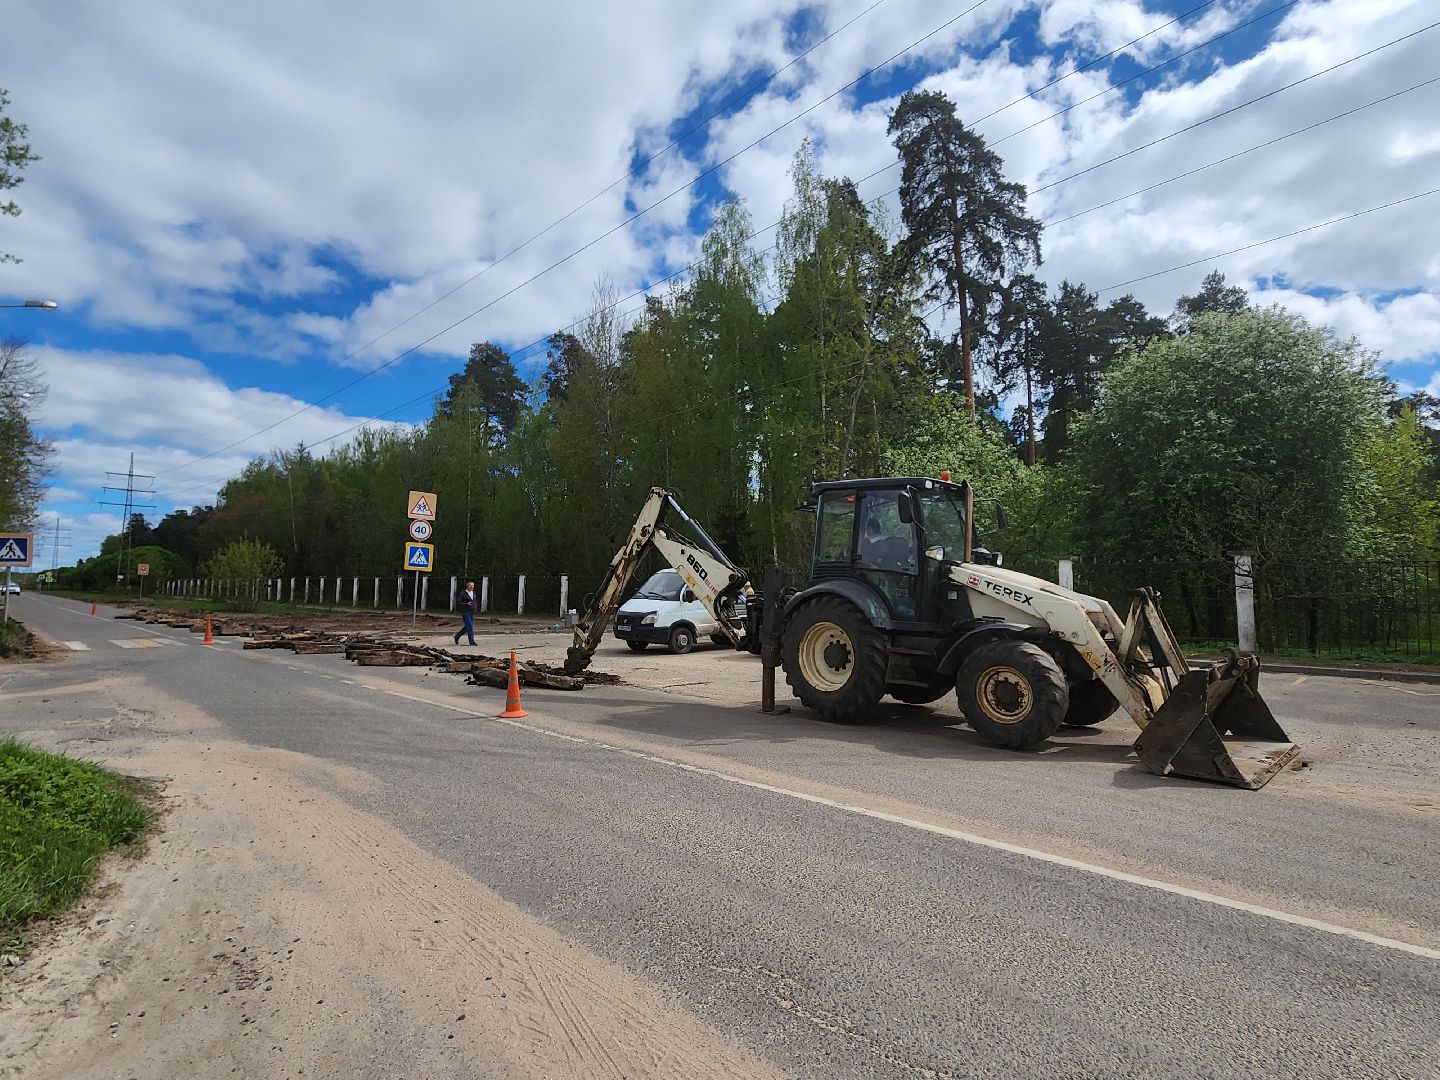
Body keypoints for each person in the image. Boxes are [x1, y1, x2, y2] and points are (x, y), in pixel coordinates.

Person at [453, 580, 478, 646]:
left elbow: (474, 601)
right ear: (467, 586)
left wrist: (475, 608)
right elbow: (459, 602)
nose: (472, 587)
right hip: (465, 612)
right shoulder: (463, 593)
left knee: (468, 627)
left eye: (473, 585)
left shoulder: (474, 593)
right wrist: (466, 604)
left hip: (472, 612)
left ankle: (457, 636)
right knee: (470, 626)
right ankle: (472, 642)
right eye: (470, 585)